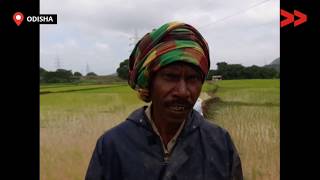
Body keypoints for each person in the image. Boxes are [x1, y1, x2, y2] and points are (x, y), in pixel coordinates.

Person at [85, 21, 243, 180]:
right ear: (149, 83)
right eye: (170, 77)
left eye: (192, 78)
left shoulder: (219, 143)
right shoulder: (114, 145)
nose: (182, 92)